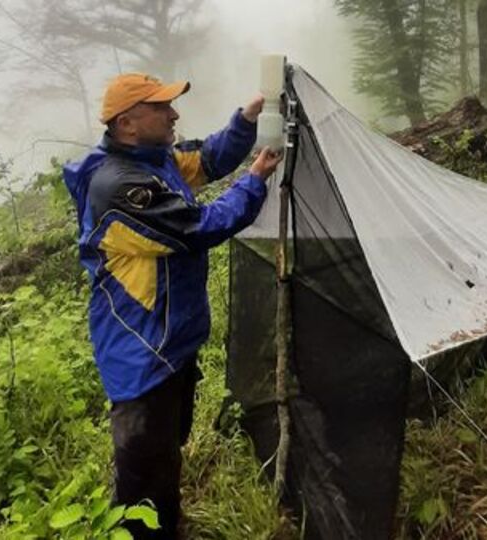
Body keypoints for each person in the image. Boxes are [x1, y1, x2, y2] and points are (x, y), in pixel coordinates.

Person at [63, 72, 282, 539]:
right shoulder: (119, 188)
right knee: (144, 482)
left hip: (171, 347)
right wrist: (256, 180)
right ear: (127, 123)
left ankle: (170, 523)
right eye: (161, 108)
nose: (174, 114)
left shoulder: (155, 158)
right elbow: (197, 227)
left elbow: (206, 159)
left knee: (167, 455)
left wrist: (247, 119)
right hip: (140, 356)